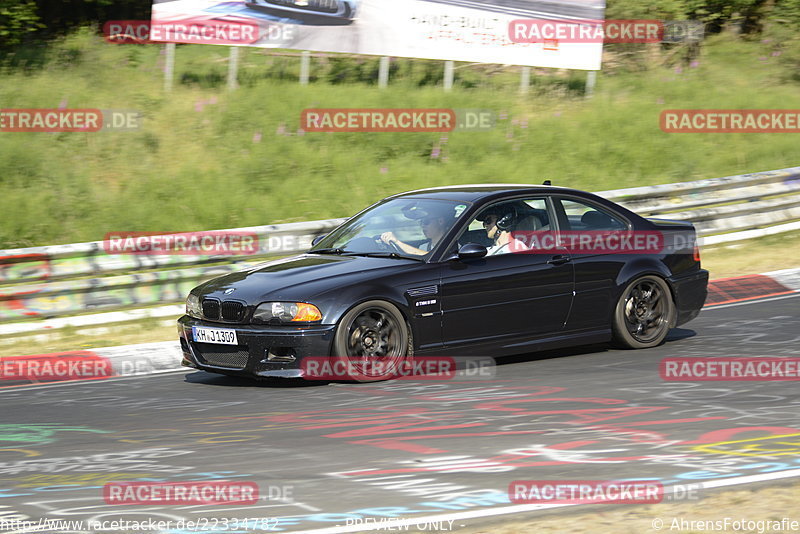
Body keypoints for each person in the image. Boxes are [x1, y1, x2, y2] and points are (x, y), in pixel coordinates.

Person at [379, 207, 451, 256]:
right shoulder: (423, 247)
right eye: (421, 222)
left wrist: (397, 242)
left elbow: (432, 256)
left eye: (426, 222)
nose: (422, 225)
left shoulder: (453, 246)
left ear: (440, 221)